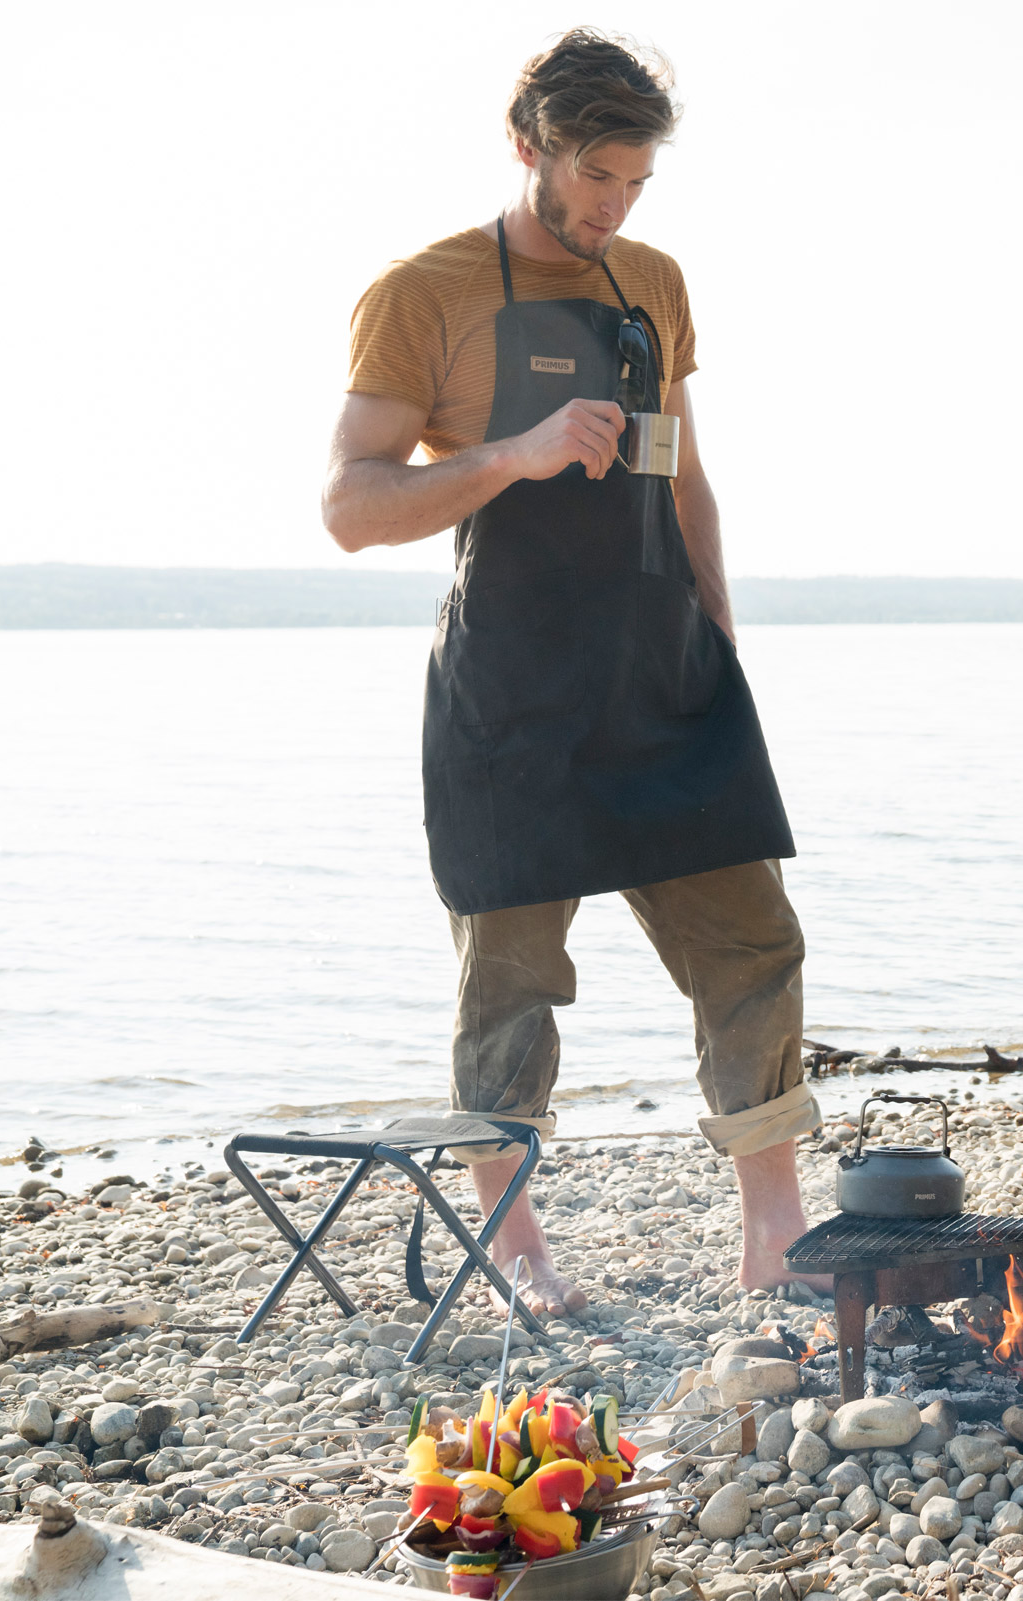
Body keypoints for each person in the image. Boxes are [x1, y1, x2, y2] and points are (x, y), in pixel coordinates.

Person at [320, 30, 825, 1313]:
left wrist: (715, 627)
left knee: (754, 946)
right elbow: (350, 505)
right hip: (517, 684)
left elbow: (685, 471)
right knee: (512, 971)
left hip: (665, 671)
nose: (614, 207)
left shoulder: (653, 278)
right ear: (530, 145)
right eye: (597, 176)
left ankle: (776, 1233)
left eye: (637, 182)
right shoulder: (425, 292)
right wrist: (515, 451)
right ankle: (515, 1242)